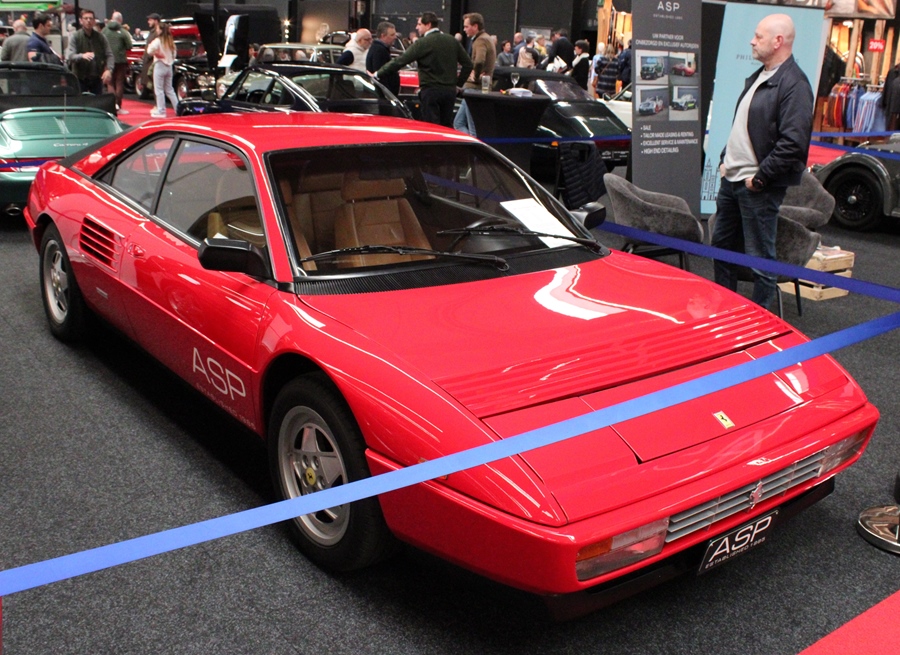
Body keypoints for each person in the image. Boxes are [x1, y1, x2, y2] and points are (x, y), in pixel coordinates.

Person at [711, 13, 813, 311]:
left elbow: (793, 144)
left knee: (760, 259)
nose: (752, 41)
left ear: (778, 41)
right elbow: (743, 126)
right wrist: (725, 160)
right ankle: (724, 313)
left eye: (759, 36)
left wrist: (760, 178)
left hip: (757, 186)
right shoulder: (761, 75)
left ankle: (761, 321)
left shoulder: (794, 84)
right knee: (722, 248)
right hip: (732, 181)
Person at [375, 12, 472, 127]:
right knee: (446, 127)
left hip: (431, 91)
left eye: (419, 24)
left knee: (431, 127)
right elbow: (468, 64)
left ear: (428, 25)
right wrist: (457, 84)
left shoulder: (423, 43)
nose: (417, 27)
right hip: (449, 92)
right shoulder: (452, 40)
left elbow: (400, 61)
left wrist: (378, 73)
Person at [453, 13, 496, 136]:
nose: (464, 29)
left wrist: (475, 76)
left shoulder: (480, 40)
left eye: (466, 27)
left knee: (473, 128)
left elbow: (479, 61)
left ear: (475, 26)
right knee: (458, 123)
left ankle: (475, 147)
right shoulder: (487, 38)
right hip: (478, 88)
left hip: (474, 88)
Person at [65, 9, 114, 94]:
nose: (88, 21)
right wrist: (82, 56)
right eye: (86, 18)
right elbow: (70, 55)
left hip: (97, 78)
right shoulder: (75, 37)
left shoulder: (100, 37)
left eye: (91, 18)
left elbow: (109, 55)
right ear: (81, 21)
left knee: (97, 101)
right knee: (80, 101)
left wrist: (109, 70)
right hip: (80, 78)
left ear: (94, 21)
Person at [146, 23, 180, 117]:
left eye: (157, 29)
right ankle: (178, 109)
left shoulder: (158, 41)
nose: (156, 30)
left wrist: (156, 54)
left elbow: (149, 51)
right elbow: (174, 54)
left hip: (160, 65)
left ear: (161, 30)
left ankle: (161, 111)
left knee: (159, 90)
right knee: (170, 90)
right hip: (169, 67)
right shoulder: (171, 41)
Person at [102, 11, 133, 112]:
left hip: (107, 60)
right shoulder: (123, 31)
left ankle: (112, 105)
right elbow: (129, 45)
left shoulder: (104, 30)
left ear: (112, 18)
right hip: (120, 60)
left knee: (110, 83)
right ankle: (118, 105)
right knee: (119, 82)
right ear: (121, 20)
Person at [366, 22, 399, 96]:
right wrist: (388, 95)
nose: (395, 37)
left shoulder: (380, 49)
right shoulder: (379, 51)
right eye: (392, 35)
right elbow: (380, 76)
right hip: (383, 96)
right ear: (383, 36)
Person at [140, 13, 162, 98]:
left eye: (150, 20)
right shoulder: (152, 32)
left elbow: (157, 47)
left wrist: (149, 56)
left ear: (156, 21)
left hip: (153, 61)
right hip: (148, 61)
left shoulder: (158, 32)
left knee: (155, 86)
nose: (148, 22)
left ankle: (158, 104)